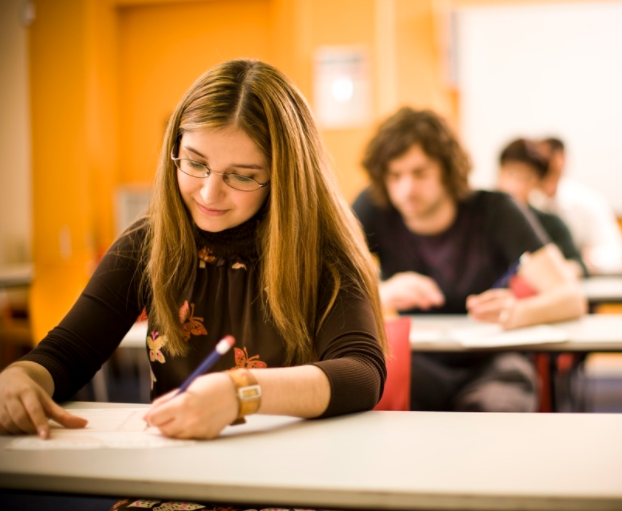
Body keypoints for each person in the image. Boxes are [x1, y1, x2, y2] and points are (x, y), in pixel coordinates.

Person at [0, 60, 387, 442]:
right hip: (180, 471)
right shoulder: (148, 244)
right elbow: (67, 353)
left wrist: (239, 393)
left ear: (284, 178)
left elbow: (361, 373)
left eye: (242, 175)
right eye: (195, 163)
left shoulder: (322, 251)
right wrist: (21, 376)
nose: (209, 193)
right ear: (175, 149)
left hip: (295, 470)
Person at [352, 107, 585, 413]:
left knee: (494, 422)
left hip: (494, 362)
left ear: (448, 171)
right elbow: (323, 290)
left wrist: (519, 311)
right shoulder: (373, 206)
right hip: (417, 359)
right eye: (394, 176)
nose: (405, 189)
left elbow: (571, 299)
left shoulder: (497, 210)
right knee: (374, 411)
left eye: (420, 173)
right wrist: (383, 292)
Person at [531, 138, 622, 275]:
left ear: (561, 159)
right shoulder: (527, 202)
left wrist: (584, 263)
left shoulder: (587, 202)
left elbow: (616, 255)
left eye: (547, 162)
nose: (542, 167)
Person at [497, 138, 587, 278]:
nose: (515, 185)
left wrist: (559, 273)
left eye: (526, 178)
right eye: (511, 174)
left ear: (537, 183)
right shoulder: (482, 220)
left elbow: (577, 264)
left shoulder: (551, 224)